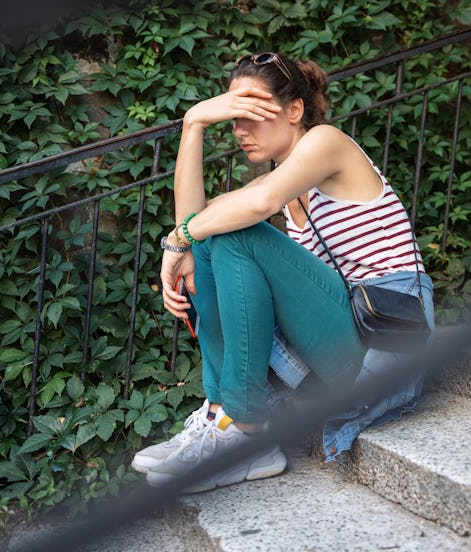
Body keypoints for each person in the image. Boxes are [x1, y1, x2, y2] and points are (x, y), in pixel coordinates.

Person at [130, 52, 435, 492]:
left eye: (252, 114)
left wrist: (179, 243)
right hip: (347, 338)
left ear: (294, 111)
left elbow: (253, 208)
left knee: (236, 231)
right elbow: (195, 219)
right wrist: (194, 123)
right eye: (233, 117)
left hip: (389, 342)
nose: (239, 130)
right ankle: (221, 414)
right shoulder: (280, 181)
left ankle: (247, 432)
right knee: (215, 235)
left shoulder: (327, 142)